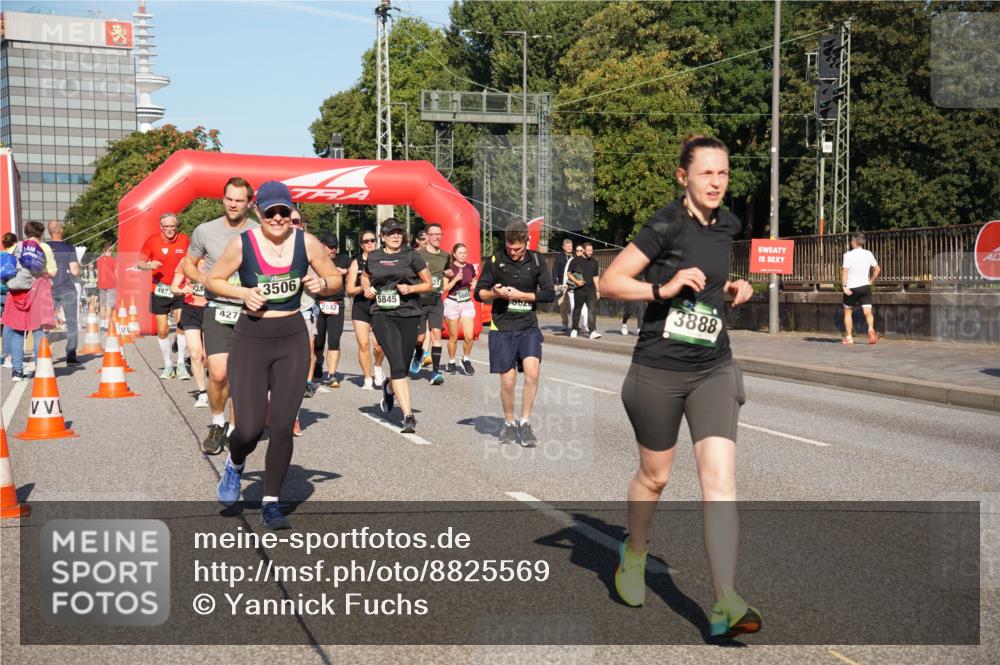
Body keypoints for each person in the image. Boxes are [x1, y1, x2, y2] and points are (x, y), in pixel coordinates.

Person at [601, 135, 759, 639]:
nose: (716, 182)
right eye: (706, 173)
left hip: (714, 367)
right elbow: (610, 282)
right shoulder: (665, 224)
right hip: (658, 370)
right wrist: (661, 288)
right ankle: (634, 553)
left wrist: (731, 289)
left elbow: (710, 283)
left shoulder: (729, 224)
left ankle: (725, 601)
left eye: (723, 173)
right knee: (656, 477)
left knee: (720, 482)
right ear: (683, 177)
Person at [208, 180, 340, 530]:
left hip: (292, 337)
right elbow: (213, 279)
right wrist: (243, 293)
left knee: (282, 426)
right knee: (249, 429)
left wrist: (323, 284)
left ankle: (271, 503)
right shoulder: (244, 243)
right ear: (258, 211)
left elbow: (334, 277)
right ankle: (236, 464)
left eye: (284, 211)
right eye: (271, 213)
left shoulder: (306, 242)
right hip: (251, 338)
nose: (278, 218)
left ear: (291, 211)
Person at [180, 176, 259, 455]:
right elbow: (188, 263)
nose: (233, 204)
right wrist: (203, 278)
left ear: (249, 203)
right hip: (217, 307)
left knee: (241, 376)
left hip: (250, 310)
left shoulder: (258, 232)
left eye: (239, 200)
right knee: (218, 373)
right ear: (223, 199)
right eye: (229, 199)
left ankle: (235, 430)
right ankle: (217, 422)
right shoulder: (205, 231)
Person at [475, 219, 555, 447]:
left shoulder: (537, 260)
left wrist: (523, 296)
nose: (514, 253)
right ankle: (509, 423)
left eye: (518, 249)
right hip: (502, 327)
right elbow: (479, 293)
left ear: (526, 242)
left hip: (528, 326)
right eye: (510, 248)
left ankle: (525, 422)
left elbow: (549, 294)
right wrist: (495, 293)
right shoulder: (496, 260)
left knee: (532, 373)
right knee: (508, 382)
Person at [362, 218, 432, 433]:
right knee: (396, 363)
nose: (395, 236)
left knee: (403, 364)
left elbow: (428, 284)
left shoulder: (411, 255)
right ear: (382, 237)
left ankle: (389, 387)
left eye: (399, 232)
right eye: (391, 233)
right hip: (382, 314)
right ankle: (408, 416)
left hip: (409, 313)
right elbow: (365, 277)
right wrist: (366, 289)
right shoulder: (374, 257)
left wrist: (411, 289)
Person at [2, 221, 57, 381]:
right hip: (37, 290)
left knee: (18, 331)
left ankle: (17, 371)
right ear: (41, 233)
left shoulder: (16, 247)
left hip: (16, 292)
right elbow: (53, 272)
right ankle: (41, 368)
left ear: (26, 233)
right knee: (38, 330)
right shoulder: (44, 247)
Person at [139, 212, 190, 378]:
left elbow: (193, 260)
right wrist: (149, 265)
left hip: (179, 288)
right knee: (162, 330)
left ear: (177, 226)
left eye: (172, 226)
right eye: (166, 227)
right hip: (159, 289)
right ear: (161, 227)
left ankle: (181, 363)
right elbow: (139, 263)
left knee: (182, 325)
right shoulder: (152, 241)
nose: (169, 230)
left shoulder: (184, 240)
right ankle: (168, 365)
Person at [346, 230, 386, 390]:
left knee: (379, 345)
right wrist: (364, 289)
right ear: (361, 245)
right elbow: (349, 290)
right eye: (366, 241)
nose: (370, 243)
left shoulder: (383, 259)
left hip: (380, 306)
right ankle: (368, 378)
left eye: (372, 240)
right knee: (363, 345)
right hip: (361, 306)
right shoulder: (356, 263)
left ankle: (378, 366)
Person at [313, 232, 352, 387]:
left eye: (335, 246)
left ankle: (332, 374)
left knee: (334, 340)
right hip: (317, 303)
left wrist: (347, 271)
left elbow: (361, 269)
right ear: (322, 246)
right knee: (318, 342)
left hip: (337, 303)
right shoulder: (314, 260)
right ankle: (319, 361)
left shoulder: (343, 259)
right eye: (330, 246)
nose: (333, 249)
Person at [412, 223, 448, 385]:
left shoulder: (446, 255)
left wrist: (447, 276)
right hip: (420, 300)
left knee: (436, 334)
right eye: (433, 234)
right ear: (426, 236)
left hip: (436, 300)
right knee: (420, 338)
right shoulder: (417, 255)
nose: (437, 237)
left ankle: (435, 372)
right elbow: (409, 275)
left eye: (439, 234)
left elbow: (446, 272)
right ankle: (418, 353)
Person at [171, 258, 209, 407]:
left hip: (211, 308)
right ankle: (203, 393)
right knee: (195, 353)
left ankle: (215, 384)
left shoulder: (216, 256)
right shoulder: (186, 261)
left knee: (207, 357)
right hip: (190, 309)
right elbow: (173, 287)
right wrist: (182, 290)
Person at [46, 221, 81, 364]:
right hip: (67, 288)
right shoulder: (69, 248)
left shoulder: (44, 247)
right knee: (71, 322)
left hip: (48, 289)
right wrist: (78, 266)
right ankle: (71, 356)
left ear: (49, 232)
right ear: (60, 230)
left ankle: (42, 354)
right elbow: (74, 271)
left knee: (45, 322)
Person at [442, 242, 478, 375]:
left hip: (466, 303)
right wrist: (455, 279)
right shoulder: (450, 269)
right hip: (452, 303)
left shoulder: (469, 267)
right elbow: (445, 288)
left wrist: (475, 283)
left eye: (465, 253)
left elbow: (474, 279)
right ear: (454, 254)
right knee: (454, 337)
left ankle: (465, 359)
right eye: (460, 253)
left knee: (469, 336)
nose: (463, 255)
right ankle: (451, 362)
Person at [841, 232, 880, 345]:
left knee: (848, 312)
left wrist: (844, 286)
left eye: (851, 240)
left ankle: (849, 337)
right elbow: (877, 269)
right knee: (868, 312)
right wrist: (870, 281)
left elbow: (845, 271)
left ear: (854, 241)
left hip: (852, 288)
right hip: (865, 287)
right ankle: (871, 329)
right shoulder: (868, 254)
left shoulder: (848, 255)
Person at [568, 242, 602, 339]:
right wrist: (576, 282)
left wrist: (598, 290)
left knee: (592, 311)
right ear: (583, 250)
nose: (590, 252)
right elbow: (569, 274)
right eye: (588, 250)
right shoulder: (575, 260)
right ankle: (574, 329)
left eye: (591, 250)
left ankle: (592, 331)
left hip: (591, 290)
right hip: (579, 290)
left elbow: (596, 277)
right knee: (577, 310)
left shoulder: (594, 261)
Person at [551, 237, 575, 331]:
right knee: (562, 306)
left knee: (574, 305)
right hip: (562, 284)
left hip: (573, 284)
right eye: (567, 246)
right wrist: (555, 283)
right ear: (563, 247)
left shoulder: (575, 256)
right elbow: (555, 271)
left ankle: (575, 324)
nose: (569, 248)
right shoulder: (559, 257)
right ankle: (565, 323)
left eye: (570, 246)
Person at [96, 241, 117, 330]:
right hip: (111, 285)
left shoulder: (99, 260)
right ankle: (107, 324)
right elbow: (116, 273)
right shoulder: (113, 261)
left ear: (103, 250)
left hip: (101, 284)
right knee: (109, 305)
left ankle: (102, 324)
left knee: (102, 305)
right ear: (111, 250)